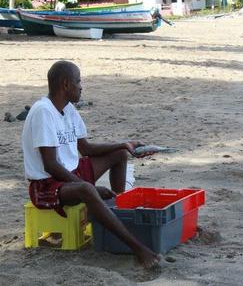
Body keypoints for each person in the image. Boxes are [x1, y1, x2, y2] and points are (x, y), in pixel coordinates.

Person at [21, 60, 160, 268]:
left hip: (70, 173)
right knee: (87, 190)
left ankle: (115, 212)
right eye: (78, 81)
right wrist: (92, 188)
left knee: (120, 154)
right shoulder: (43, 111)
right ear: (66, 84)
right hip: (46, 185)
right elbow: (50, 165)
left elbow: (85, 149)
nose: (81, 86)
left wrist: (124, 144)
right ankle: (138, 248)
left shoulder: (68, 109)